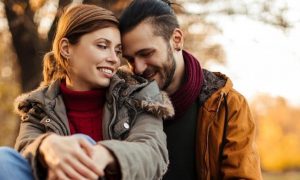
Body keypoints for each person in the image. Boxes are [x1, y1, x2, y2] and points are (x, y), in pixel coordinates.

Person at [0, 4, 174, 180]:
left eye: (118, 50)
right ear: (66, 48)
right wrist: (47, 146)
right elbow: (24, 153)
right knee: (3, 160)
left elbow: (153, 153)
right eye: (102, 46)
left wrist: (103, 154)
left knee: (83, 143)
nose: (114, 59)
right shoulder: (38, 107)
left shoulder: (138, 95)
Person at [119, 0, 262, 179]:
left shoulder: (227, 106)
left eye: (146, 53)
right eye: (130, 59)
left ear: (176, 40)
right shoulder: (120, 105)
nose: (138, 68)